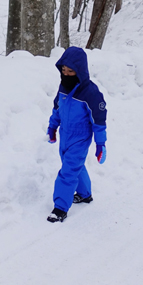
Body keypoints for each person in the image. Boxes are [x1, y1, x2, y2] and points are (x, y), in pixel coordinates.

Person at [46, 47, 107, 223]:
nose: (66, 74)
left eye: (70, 71)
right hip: (65, 133)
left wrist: (100, 144)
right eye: (63, 70)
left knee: (68, 170)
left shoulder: (91, 93)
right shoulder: (63, 87)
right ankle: (85, 194)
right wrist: (52, 127)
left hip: (80, 137)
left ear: (80, 71)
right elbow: (57, 107)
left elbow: (99, 120)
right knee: (73, 165)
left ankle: (60, 208)